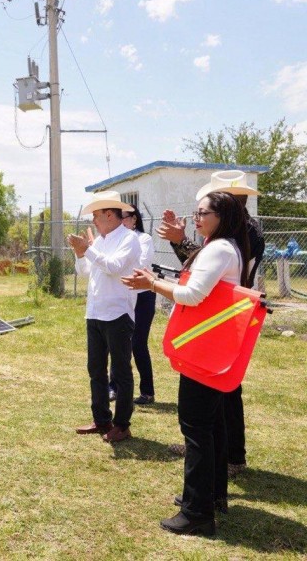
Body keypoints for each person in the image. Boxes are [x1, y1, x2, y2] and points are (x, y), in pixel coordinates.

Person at [123, 191, 251, 536]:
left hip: (204, 349)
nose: (196, 218)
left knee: (196, 428)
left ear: (221, 216)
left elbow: (192, 294)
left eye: (202, 213)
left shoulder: (219, 249)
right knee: (212, 426)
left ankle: (198, 512)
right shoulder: (226, 248)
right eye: (195, 212)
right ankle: (212, 497)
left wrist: (151, 282)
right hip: (214, 348)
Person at [156, 170, 263, 477]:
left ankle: (232, 456)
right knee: (213, 392)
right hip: (213, 315)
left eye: (207, 208)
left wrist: (183, 241)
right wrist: (182, 242)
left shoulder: (246, 232)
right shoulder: (226, 234)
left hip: (226, 318)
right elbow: (199, 266)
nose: (202, 213)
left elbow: (210, 269)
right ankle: (212, 451)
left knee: (226, 388)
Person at [69, 191, 141, 444]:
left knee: (120, 372)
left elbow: (113, 267)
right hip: (95, 313)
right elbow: (85, 271)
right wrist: (80, 253)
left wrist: (87, 250)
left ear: (110, 215)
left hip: (118, 313)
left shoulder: (129, 239)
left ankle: (122, 424)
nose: (94, 221)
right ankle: (102, 420)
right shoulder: (100, 240)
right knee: (95, 369)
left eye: (96, 216)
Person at [109, 205, 157, 405]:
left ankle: (147, 391)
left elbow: (139, 265)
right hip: (124, 295)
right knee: (118, 342)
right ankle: (114, 387)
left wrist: (116, 266)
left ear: (134, 219)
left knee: (138, 343)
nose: (121, 221)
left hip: (143, 296)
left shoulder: (143, 239)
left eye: (125, 217)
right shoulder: (116, 240)